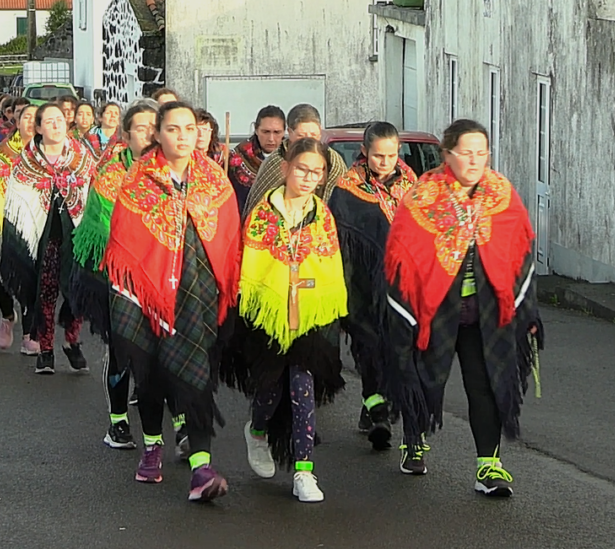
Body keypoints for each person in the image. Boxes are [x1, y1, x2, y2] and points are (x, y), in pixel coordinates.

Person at [385, 119, 542, 497]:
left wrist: (528, 312)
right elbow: (401, 256)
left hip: (484, 310)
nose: (475, 161)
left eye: (481, 153)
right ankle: (414, 441)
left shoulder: (502, 193)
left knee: (485, 383)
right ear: (447, 155)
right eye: (466, 153)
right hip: (434, 308)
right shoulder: (423, 197)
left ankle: (489, 465)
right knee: (424, 378)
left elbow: (520, 253)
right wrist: (402, 313)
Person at [102, 101, 241, 501]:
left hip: (196, 293)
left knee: (196, 374)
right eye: (173, 129)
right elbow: (125, 242)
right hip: (146, 295)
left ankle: (201, 466)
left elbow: (228, 236)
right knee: (151, 375)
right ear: (158, 135)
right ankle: (151, 446)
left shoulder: (214, 180)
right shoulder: (138, 180)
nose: (183, 136)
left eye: (189, 128)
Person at [224, 138, 347, 503]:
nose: (309, 178)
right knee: (270, 390)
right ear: (285, 169)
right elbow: (254, 265)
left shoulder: (323, 215)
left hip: (309, 317)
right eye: (302, 169)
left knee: (302, 387)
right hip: (269, 316)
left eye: (317, 172)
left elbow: (329, 264)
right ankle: (258, 431)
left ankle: (304, 471)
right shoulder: (263, 214)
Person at [72, 98, 158, 450]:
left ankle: (182, 426)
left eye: (155, 127)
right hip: (118, 275)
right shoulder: (111, 174)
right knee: (121, 350)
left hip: (162, 278)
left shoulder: (175, 172)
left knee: (167, 355)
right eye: (141, 128)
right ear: (126, 134)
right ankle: (118, 422)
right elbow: (105, 226)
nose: (149, 135)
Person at [328, 122, 418, 451]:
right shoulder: (347, 188)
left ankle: (380, 406)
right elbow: (339, 239)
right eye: (378, 155)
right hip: (360, 281)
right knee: (369, 344)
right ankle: (377, 409)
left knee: (397, 346)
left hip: (402, 283)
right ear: (364, 152)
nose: (385, 162)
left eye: (392, 155)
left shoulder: (412, 185)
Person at [0, 103, 97, 374]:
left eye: (60, 120)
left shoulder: (82, 157)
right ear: (39, 128)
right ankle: (46, 349)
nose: (56, 125)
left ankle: (70, 340)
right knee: (46, 291)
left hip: (76, 234)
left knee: (79, 289)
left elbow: (94, 194)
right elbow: (17, 199)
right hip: (43, 236)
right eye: (49, 121)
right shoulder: (25, 162)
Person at [0, 103, 41, 355]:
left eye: (35, 118)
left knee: (34, 280)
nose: (30, 122)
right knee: (2, 276)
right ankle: (7, 315)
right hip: (5, 220)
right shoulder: (4, 152)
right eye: (25, 117)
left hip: (38, 222)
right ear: (17, 121)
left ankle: (30, 333)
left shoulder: (49, 152)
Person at [242, 104, 347, 220]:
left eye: (313, 135)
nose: (308, 140)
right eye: (301, 135)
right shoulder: (276, 161)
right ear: (290, 132)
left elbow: (342, 205)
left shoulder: (333, 161)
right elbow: (256, 209)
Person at [227, 105, 286, 213]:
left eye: (277, 132)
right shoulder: (237, 158)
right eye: (266, 132)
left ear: (284, 132)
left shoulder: (291, 158)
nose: (271, 139)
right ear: (256, 130)